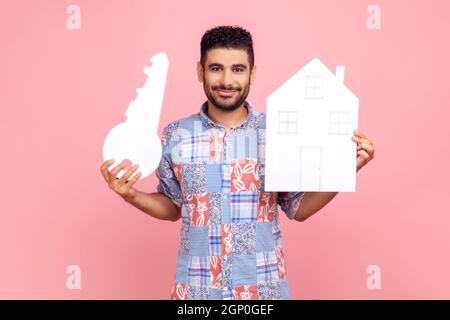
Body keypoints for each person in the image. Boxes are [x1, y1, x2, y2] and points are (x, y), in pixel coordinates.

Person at [99, 25, 375, 300]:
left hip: (262, 292)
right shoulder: (175, 135)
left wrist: (346, 168)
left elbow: (298, 208)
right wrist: (130, 195)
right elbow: (173, 207)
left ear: (252, 73)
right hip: (197, 293)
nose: (227, 80)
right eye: (216, 68)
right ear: (200, 71)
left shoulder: (276, 132)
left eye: (238, 69)